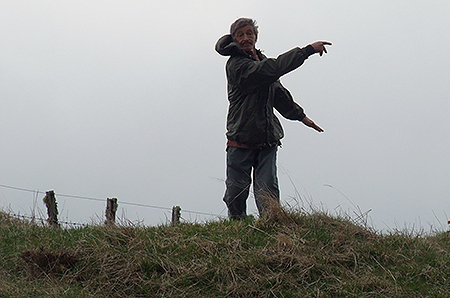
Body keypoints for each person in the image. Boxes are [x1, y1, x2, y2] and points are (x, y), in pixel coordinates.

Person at [215, 17, 331, 220]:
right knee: (236, 194)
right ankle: (237, 228)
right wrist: (307, 51)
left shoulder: (260, 61)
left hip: (267, 139)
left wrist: (301, 116)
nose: (245, 38)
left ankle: (271, 224)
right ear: (234, 39)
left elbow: (278, 94)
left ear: (256, 37)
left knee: (267, 190)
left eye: (249, 33)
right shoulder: (237, 65)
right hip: (240, 139)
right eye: (240, 35)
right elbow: (271, 69)